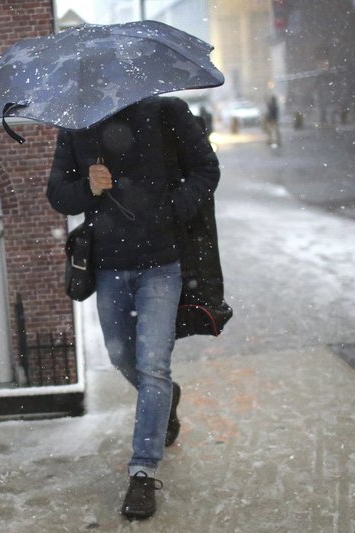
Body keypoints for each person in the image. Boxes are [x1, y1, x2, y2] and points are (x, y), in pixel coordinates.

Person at [47, 95, 220, 520]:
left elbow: (206, 170)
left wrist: (171, 209)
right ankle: (165, 399)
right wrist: (87, 186)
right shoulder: (77, 122)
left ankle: (142, 471)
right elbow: (57, 194)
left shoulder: (167, 113)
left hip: (162, 263)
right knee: (122, 356)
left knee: (154, 365)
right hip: (109, 266)